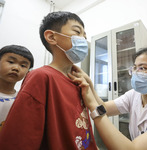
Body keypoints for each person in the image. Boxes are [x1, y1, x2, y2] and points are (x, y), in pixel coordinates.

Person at [0, 11, 97, 150]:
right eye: (78, 32)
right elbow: (21, 139)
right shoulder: (41, 77)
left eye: (85, 36)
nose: (83, 39)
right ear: (51, 37)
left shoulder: (79, 81)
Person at [69, 46, 147, 150]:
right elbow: (105, 108)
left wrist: (94, 107)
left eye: (142, 68)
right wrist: (90, 84)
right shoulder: (135, 95)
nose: (136, 72)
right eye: (135, 68)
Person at [0, 44, 34, 131]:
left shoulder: (22, 99)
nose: (16, 68)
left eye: (23, 66)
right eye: (11, 62)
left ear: (28, 72)